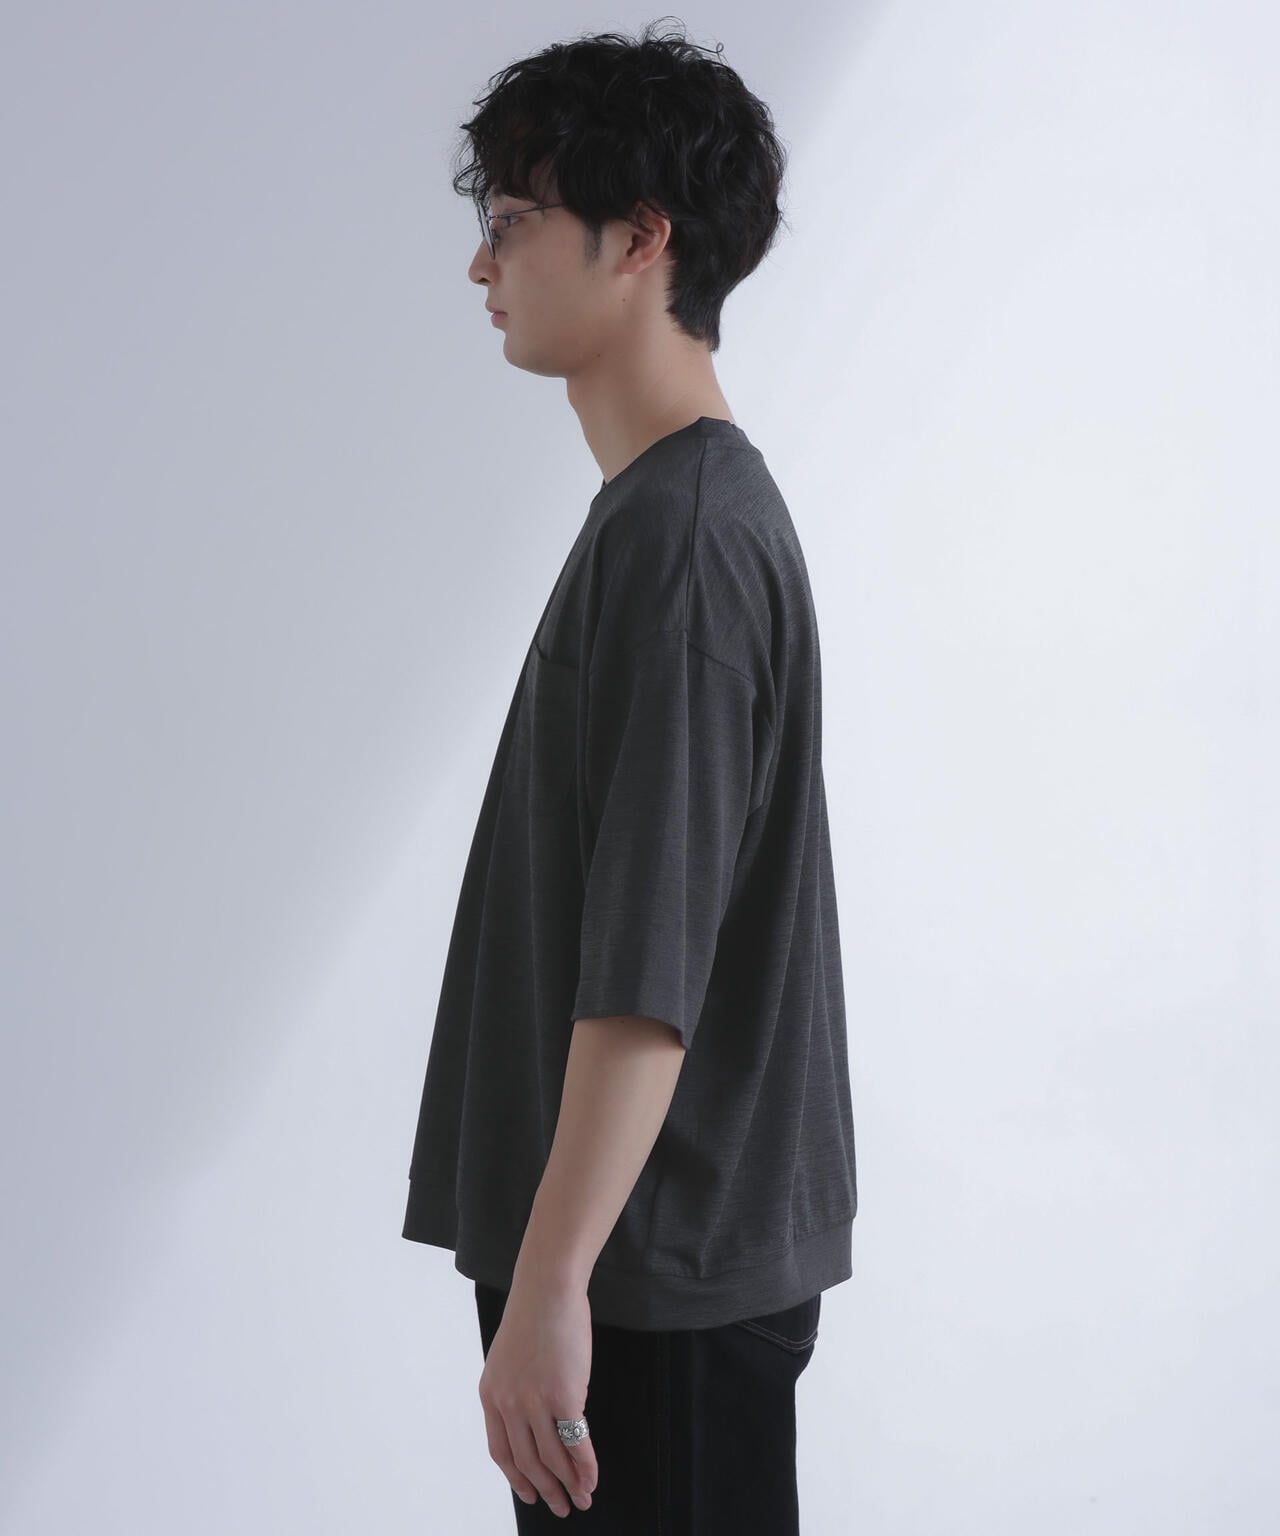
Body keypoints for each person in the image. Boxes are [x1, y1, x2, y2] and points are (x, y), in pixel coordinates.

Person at [402, 20, 858, 1532]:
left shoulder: (687, 539)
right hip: (635, 1259)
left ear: (641, 238)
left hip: (646, 1277)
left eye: (513, 221)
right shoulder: (664, 513)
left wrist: (553, 1285)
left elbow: (650, 978)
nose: (482, 265)